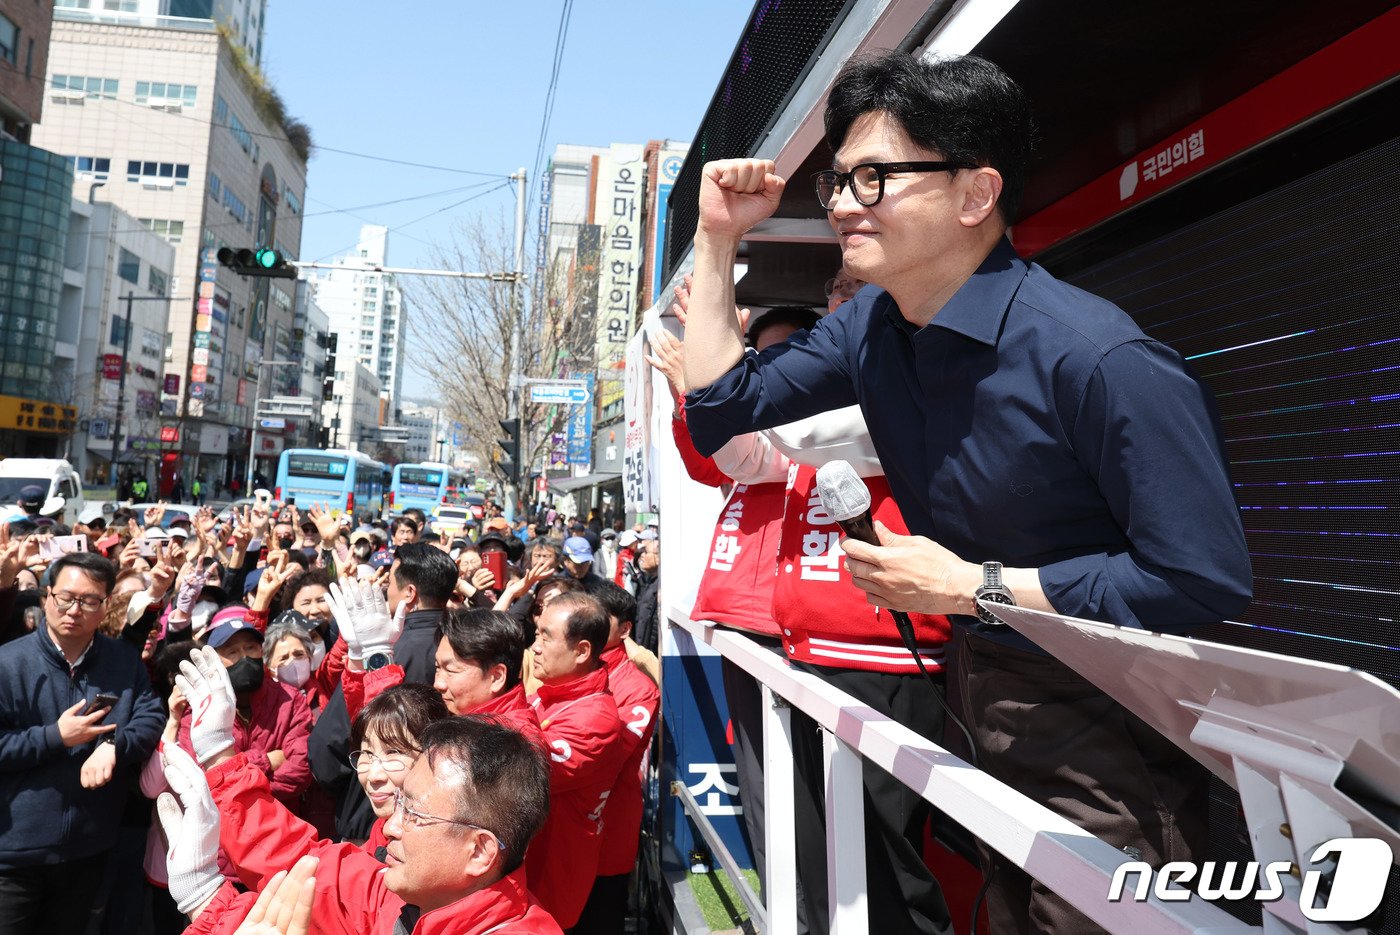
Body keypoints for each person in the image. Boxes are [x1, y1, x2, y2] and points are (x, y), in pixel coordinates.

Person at [681, 51, 1253, 935]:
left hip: (1115, 730)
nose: (839, 202)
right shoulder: (875, 320)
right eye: (838, 178)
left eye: (874, 176)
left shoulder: (1099, 360)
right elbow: (721, 407)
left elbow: (1200, 579)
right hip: (977, 696)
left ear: (975, 195)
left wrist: (973, 586)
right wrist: (720, 236)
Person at [0, 552, 165, 935]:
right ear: (46, 598)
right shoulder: (8, 664)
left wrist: (116, 746)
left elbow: (151, 716)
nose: (75, 609)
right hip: (14, 855)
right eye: (65, 597)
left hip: (89, 849)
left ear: (106, 605)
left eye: (89, 600)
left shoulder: (122, 661)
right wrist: (54, 736)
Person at [526, 592, 625, 928]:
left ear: (582, 651)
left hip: (551, 884)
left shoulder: (593, 720)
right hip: (530, 876)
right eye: (537, 633)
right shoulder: (553, 693)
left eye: (546, 637)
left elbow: (520, 770)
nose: (535, 647)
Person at [573, 583, 660, 935]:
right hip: (564, 831)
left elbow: (605, 760)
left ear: (624, 629)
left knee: (600, 916)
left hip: (607, 826)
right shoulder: (570, 666)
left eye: (597, 618)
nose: (586, 623)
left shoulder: (638, 687)